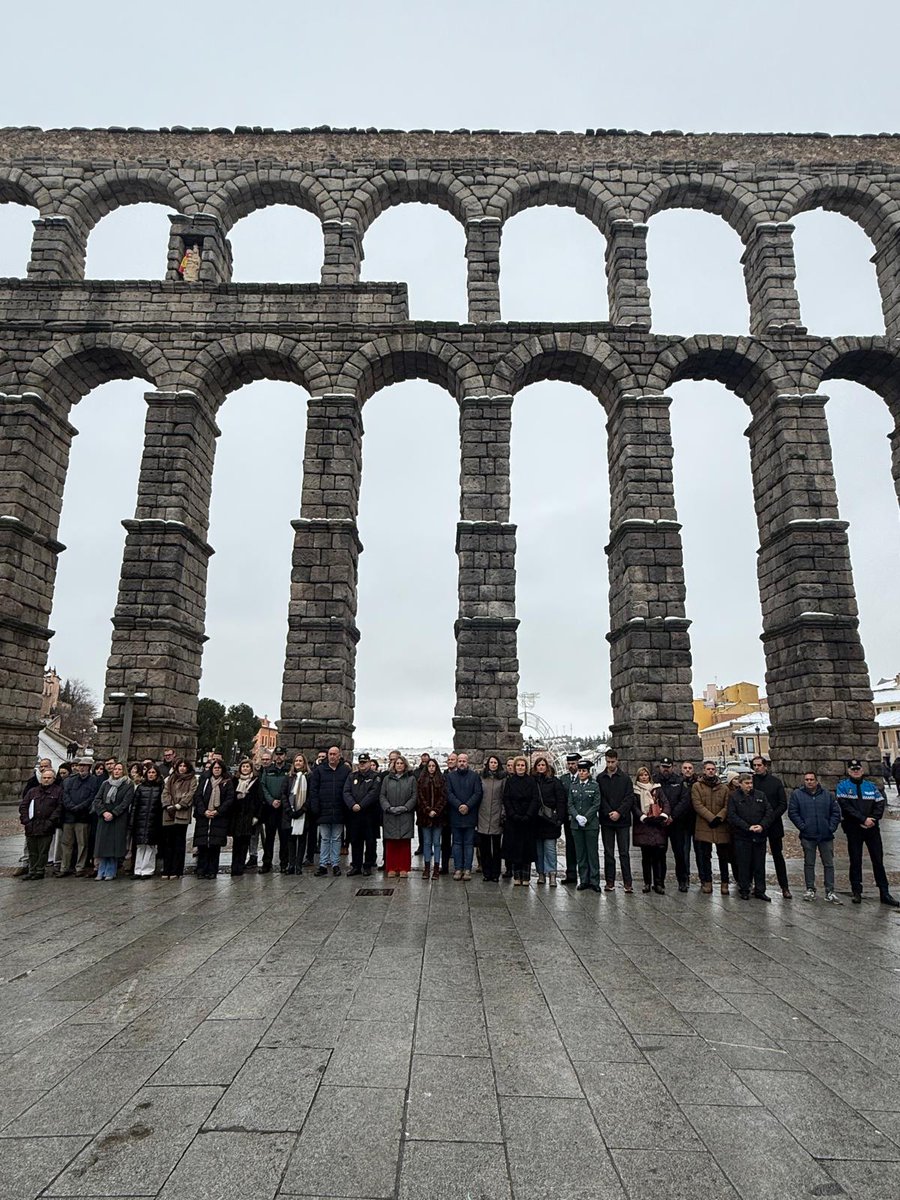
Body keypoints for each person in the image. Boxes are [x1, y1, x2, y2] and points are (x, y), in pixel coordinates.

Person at [836, 758, 899, 906]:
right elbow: (845, 807)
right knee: (855, 860)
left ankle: (884, 892)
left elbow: (880, 803)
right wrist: (862, 819)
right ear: (848, 771)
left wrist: (873, 819)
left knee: (878, 860)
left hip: (872, 829)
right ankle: (857, 891)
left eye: (858, 769)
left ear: (862, 770)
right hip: (854, 828)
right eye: (853, 770)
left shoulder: (870, 786)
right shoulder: (843, 786)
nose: (856, 771)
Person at [788, 771, 842, 903]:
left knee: (828, 864)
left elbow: (836, 812)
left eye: (811, 779)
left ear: (817, 781)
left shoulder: (828, 795)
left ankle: (830, 890)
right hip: (808, 835)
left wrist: (831, 827)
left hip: (826, 835)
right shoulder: (797, 795)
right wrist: (803, 826)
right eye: (806, 779)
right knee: (809, 863)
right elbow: (793, 812)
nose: (809, 782)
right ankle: (810, 888)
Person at [727, 772, 775, 900]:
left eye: (751, 783)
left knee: (759, 864)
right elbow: (732, 815)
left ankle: (760, 889)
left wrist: (762, 826)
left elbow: (769, 812)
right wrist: (747, 827)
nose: (749, 785)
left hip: (759, 835)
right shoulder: (734, 797)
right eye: (747, 783)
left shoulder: (760, 795)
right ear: (741, 784)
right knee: (743, 864)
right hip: (742, 836)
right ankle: (744, 889)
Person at [751, 754, 792, 899]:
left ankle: (784, 887)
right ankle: (758, 887)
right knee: (757, 857)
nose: (757, 768)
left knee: (778, 856)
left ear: (765, 766)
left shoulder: (775, 782)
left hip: (773, 824)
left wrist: (770, 818)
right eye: (754, 765)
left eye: (759, 765)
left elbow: (782, 804)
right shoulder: (751, 781)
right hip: (757, 825)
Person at [309, 746, 351, 877]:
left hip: (339, 809)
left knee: (337, 838)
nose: (332, 756)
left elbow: (348, 790)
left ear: (339, 755)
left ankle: (335, 864)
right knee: (325, 838)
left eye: (334, 754)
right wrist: (315, 807)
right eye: (330, 754)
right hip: (323, 809)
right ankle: (322, 864)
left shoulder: (345, 770)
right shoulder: (320, 770)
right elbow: (313, 790)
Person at [692, 760, 732, 895]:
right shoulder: (697, 786)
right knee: (705, 856)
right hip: (704, 825)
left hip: (721, 825)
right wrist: (711, 818)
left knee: (723, 856)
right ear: (704, 770)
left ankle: (724, 883)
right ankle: (707, 882)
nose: (710, 771)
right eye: (708, 769)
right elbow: (697, 804)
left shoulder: (724, 788)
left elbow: (727, 805)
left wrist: (720, 817)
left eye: (712, 769)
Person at [57, 757, 100, 877]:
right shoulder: (70, 780)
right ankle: (64, 867)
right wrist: (71, 807)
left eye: (84, 766)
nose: (81, 768)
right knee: (66, 843)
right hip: (69, 817)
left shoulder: (94, 781)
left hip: (83, 817)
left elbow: (92, 797)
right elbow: (65, 795)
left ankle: (79, 867)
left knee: (82, 844)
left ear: (89, 767)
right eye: (80, 765)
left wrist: (80, 807)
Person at [656, 758, 694, 892]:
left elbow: (684, 801)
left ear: (672, 767)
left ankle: (682, 880)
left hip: (677, 823)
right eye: (663, 766)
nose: (665, 769)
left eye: (668, 766)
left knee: (680, 853)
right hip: (660, 823)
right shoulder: (655, 781)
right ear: (660, 767)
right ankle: (659, 881)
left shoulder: (679, 781)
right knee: (660, 853)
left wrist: (672, 816)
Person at [598, 749, 634, 893]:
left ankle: (628, 882)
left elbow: (629, 797)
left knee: (624, 852)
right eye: (608, 762)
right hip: (607, 821)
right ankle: (609, 881)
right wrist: (609, 812)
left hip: (622, 821)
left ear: (617, 761)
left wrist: (619, 812)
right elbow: (600, 798)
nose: (611, 764)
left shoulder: (625, 778)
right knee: (608, 852)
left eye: (613, 762)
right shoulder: (600, 778)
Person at [91, 763, 134, 881]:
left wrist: (114, 813)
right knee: (102, 845)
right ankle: (101, 870)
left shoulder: (128, 785)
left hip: (118, 818)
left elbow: (126, 802)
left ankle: (110, 871)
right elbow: (97, 799)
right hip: (104, 818)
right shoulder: (106, 783)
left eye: (119, 769)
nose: (117, 771)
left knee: (113, 846)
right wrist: (103, 812)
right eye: (115, 769)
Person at [19, 766, 63, 880]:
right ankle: (32, 870)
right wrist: (26, 821)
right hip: (32, 825)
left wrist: (50, 822)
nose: (46, 780)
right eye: (44, 778)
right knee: (32, 850)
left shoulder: (58, 791)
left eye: (49, 778)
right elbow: (23, 806)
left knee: (43, 850)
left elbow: (59, 808)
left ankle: (39, 870)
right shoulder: (32, 791)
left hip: (46, 825)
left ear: (53, 779)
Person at [632, 766, 671, 894]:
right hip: (643, 825)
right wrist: (643, 817)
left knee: (658, 856)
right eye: (641, 775)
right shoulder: (635, 790)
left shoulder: (657, 789)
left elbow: (665, 803)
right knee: (645, 857)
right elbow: (634, 807)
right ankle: (647, 883)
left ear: (649, 776)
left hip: (657, 825)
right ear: (638, 777)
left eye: (646, 775)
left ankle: (658, 883)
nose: (644, 777)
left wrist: (663, 815)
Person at [193, 760, 235, 878]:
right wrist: (204, 811)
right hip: (204, 817)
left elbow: (229, 799)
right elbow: (198, 796)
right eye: (215, 768)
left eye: (219, 768)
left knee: (214, 846)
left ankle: (212, 870)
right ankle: (201, 870)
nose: (217, 770)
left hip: (219, 818)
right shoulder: (205, 781)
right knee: (202, 845)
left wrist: (218, 811)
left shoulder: (227, 782)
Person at [446, 752, 483, 881]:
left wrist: (467, 805)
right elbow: (449, 793)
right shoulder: (450, 777)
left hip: (470, 814)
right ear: (457, 762)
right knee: (456, 843)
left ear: (468, 762)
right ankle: (458, 868)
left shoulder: (474, 777)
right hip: (456, 814)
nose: (462, 763)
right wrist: (459, 805)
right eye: (460, 761)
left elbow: (478, 793)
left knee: (468, 843)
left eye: (464, 761)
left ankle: (467, 869)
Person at [502, 756, 538, 885]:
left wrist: (528, 814)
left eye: (523, 765)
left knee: (527, 850)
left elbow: (535, 799)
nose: (520, 767)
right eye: (518, 765)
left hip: (528, 819)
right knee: (515, 849)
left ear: (526, 767)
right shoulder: (510, 781)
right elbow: (506, 799)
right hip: (514, 819)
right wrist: (513, 814)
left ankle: (526, 877)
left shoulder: (531, 781)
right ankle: (517, 876)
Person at [344, 753, 382, 877]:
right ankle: (356, 865)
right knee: (355, 841)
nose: (362, 765)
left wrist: (361, 805)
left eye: (364, 762)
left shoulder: (375, 777)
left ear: (369, 762)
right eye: (360, 762)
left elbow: (373, 793)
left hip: (369, 814)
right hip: (354, 815)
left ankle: (368, 865)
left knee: (370, 841)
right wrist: (352, 804)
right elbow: (346, 791)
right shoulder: (352, 776)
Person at [380, 755, 417, 877]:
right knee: (391, 843)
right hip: (390, 815)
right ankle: (391, 867)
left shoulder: (411, 779)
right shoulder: (386, 779)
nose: (399, 765)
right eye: (397, 763)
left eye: (401, 763)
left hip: (405, 815)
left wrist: (405, 807)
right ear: (394, 765)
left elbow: (414, 796)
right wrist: (388, 808)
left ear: (405, 765)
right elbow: (382, 795)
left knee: (403, 843)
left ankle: (403, 868)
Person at [159, 758, 196, 879]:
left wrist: (179, 805)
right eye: (180, 766)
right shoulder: (171, 778)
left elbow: (191, 794)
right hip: (168, 812)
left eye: (184, 766)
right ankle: (167, 868)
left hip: (181, 813)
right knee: (168, 842)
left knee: (179, 842)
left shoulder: (192, 779)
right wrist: (168, 805)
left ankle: (177, 869)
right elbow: (165, 792)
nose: (182, 768)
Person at [532, 756, 566, 886]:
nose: (541, 767)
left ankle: (552, 873)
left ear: (547, 767)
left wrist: (559, 818)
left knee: (550, 849)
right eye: (538, 765)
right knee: (538, 850)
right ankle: (541, 874)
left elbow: (561, 801)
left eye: (543, 765)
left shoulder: (555, 782)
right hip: (536, 821)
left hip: (550, 821)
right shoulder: (533, 781)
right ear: (535, 767)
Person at [569, 759, 602, 891]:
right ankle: (583, 880)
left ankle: (594, 881)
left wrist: (586, 817)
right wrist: (576, 816)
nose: (582, 773)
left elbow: (596, 804)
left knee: (592, 853)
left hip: (591, 825)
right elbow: (570, 804)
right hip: (576, 825)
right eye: (580, 771)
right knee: (580, 854)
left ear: (588, 773)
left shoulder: (594, 786)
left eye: (584, 771)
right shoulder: (574, 786)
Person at [258, 746, 290, 873]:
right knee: (269, 837)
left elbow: (291, 787)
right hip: (270, 808)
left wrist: (283, 801)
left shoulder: (289, 769)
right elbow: (263, 786)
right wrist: (271, 801)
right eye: (276, 754)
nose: (278, 757)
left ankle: (284, 863)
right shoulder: (268, 770)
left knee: (284, 838)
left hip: (284, 808)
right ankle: (266, 863)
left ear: (285, 756)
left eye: (281, 754)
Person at [416, 758, 446, 880]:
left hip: (438, 817)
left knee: (437, 843)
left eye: (434, 766)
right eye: (430, 766)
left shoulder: (441, 780)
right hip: (425, 816)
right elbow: (420, 797)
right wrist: (428, 810)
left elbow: (443, 797)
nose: (432, 768)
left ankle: (436, 868)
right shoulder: (421, 780)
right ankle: (427, 867)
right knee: (427, 842)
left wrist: (436, 810)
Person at [131, 762, 163, 878]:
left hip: (154, 820)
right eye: (149, 772)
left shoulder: (160, 787)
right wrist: (132, 820)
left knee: (150, 846)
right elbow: (135, 805)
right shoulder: (141, 787)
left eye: (153, 772)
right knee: (140, 846)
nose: (151, 775)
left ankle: (147, 870)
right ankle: (137, 869)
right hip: (141, 819)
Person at [230, 760, 260, 876]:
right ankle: (234, 867)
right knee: (236, 843)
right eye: (243, 766)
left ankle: (241, 866)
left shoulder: (255, 782)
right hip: (237, 816)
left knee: (245, 843)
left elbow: (258, 799)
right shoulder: (234, 781)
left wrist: (257, 816)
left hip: (249, 816)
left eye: (248, 766)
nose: (245, 768)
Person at [478, 755, 506, 883]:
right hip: (483, 814)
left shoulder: (503, 779)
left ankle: (495, 872)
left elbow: (504, 797)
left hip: (497, 814)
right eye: (491, 762)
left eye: (495, 762)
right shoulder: (482, 778)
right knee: (484, 847)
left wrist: (503, 813)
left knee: (496, 847)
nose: (493, 764)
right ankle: (486, 872)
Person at [558, 753, 581, 885]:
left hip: (581, 818)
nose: (571, 766)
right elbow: (561, 799)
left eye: (573, 763)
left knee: (582, 847)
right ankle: (571, 874)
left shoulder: (584, 777)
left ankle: (585, 875)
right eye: (569, 764)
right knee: (570, 847)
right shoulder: (563, 779)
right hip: (568, 819)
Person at [248, 749, 272, 868]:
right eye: (263, 759)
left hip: (269, 807)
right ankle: (253, 856)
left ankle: (268, 857)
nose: (265, 761)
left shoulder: (273, 772)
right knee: (254, 834)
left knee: (269, 835)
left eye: (267, 759)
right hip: (257, 808)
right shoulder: (257, 773)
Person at [285, 753, 310, 874]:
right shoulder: (289, 778)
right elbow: (284, 794)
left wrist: (302, 809)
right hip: (290, 813)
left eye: (300, 761)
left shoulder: (308, 777)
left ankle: (299, 864)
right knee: (290, 840)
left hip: (303, 814)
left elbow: (311, 795)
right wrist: (289, 810)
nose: (298, 763)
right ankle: (291, 864)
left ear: (304, 763)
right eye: (296, 761)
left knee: (301, 840)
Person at [439, 751, 457, 874]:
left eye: (452, 759)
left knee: (458, 841)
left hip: (457, 812)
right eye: (449, 760)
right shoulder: (443, 775)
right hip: (445, 813)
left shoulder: (463, 775)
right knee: (445, 841)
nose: (450, 761)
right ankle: (444, 866)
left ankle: (458, 867)